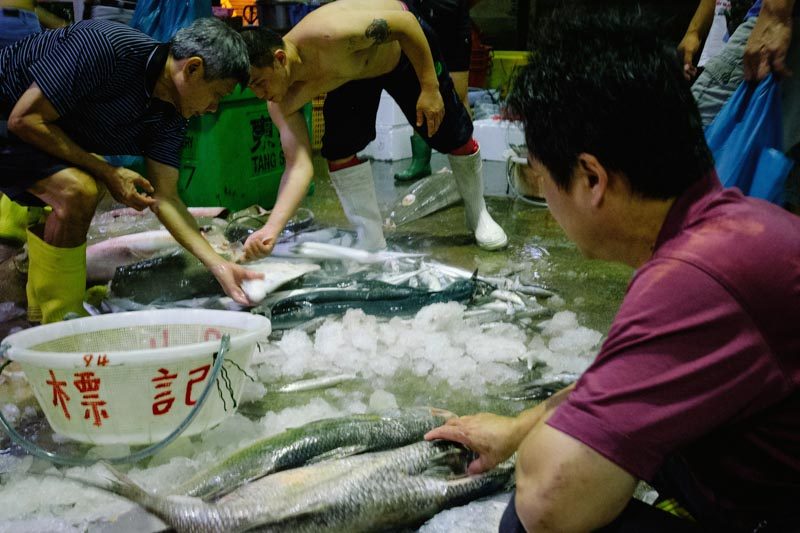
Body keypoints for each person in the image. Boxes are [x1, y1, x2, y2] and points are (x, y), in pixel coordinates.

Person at [425, 9, 800, 532]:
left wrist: (534, 454)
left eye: (538, 175)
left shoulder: (698, 276)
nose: (544, 196)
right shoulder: (724, 226)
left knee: (525, 519)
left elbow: (550, 501)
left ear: (592, 178)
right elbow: (617, 382)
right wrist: (515, 430)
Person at [0, 17, 263, 323]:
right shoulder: (107, 47)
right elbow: (25, 120)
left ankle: (44, 314)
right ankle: (58, 320)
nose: (213, 108)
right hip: (11, 111)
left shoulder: (171, 117)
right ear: (192, 68)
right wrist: (107, 172)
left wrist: (219, 265)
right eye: (217, 94)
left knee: (85, 190)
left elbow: (167, 199)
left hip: (41, 128)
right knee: (78, 190)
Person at [239, 0, 508, 256]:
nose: (261, 94)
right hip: (352, 74)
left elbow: (406, 23)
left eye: (261, 82)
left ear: (279, 59)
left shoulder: (332, 34)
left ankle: (478, 213)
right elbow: (298, 166)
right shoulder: (280, 102)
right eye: (252, 87)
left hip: (402, 49)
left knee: (452, 132)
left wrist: (429, 87)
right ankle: (370, 238)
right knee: (339, 147)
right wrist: (271, 229)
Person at [0, 0, 67, 244]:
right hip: (23, 21)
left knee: (22, 121)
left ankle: (17, 219)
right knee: (25, 121)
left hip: (26, 21)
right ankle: (19, 220)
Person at [393, 0, 476, 183]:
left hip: (454, 16)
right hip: (419, 15)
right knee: (420, 89)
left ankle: (465, 168)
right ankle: (420, 162)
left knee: (458, 94)